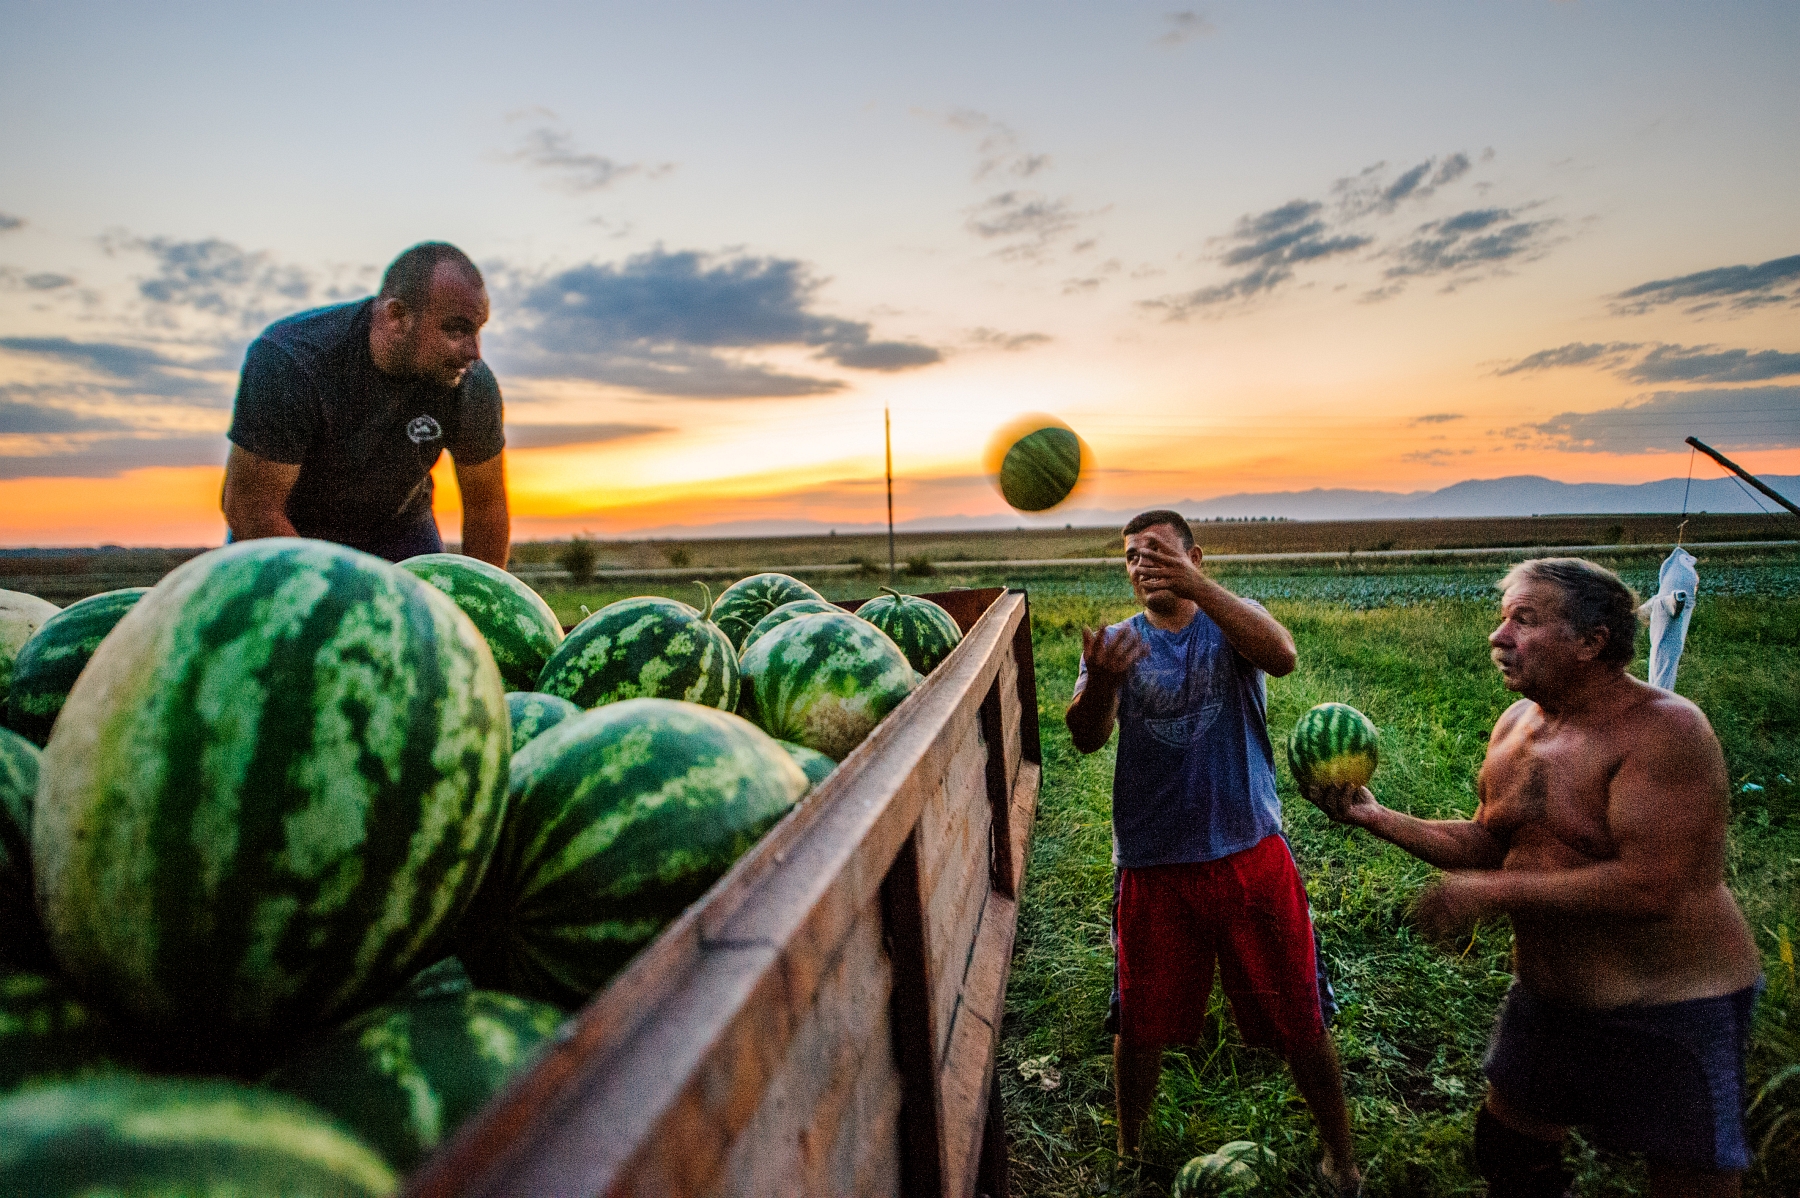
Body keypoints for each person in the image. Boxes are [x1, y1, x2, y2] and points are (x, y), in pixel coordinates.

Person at [1310, 557, 1762, 1197]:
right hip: (1553, 999)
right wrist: (1374, 815)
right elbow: (1493, 845)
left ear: (1590, 642)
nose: (1498, 637)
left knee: (1690, 1184)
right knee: (1510, 1153)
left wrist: (1492, 893)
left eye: (1524, 620)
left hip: (1672, 1007)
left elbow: (1656, 886)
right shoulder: (1517, 727)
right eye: (1502, 619)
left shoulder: (1666, 731)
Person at [1066, 510, 1361, 1192]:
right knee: (1139, 1022)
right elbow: (1085, 736)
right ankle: (1130, 1153)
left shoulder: (1231, 621)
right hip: (1153, 864)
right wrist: (1104, 679)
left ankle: (1341, 1159)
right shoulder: (1114, 642)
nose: (1145, 567)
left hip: (1249, 852)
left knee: (1300, 1013)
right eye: (1133, 559)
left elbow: (1282, 657)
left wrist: (1202, 589)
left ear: (1195, 556)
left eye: (1160, 553)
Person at [221, 241, 510, 565]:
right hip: (287, 532)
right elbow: (251, 509)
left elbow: (486, 507)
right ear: (397, 316)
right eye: (456, 330)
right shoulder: (289, 361)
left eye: (478, 330)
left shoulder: (470, 383)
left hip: (401, 531)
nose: (474, 352)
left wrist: (480, 610)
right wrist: (335, 597)